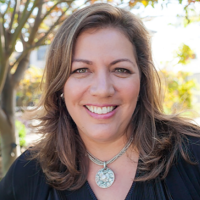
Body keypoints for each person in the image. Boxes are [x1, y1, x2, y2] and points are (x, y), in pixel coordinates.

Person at [0, 3, 200, 200]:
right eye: (81, 70)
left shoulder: (192, 156)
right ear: (60, 84)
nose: (103, 89)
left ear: (142, 80)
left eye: (120, 69)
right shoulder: (28, 173)